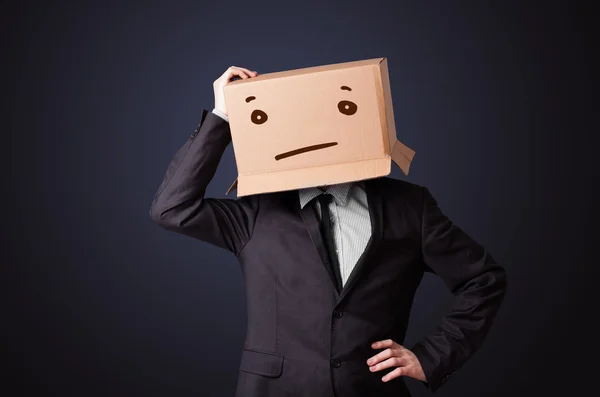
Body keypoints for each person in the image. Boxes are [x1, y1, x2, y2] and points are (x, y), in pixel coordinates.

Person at [149, 66, 507, 397]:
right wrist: (223, 116)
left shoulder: (410, 207)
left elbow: (483, 280)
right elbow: (171, 208)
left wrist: (430, 357)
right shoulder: (256, 212)